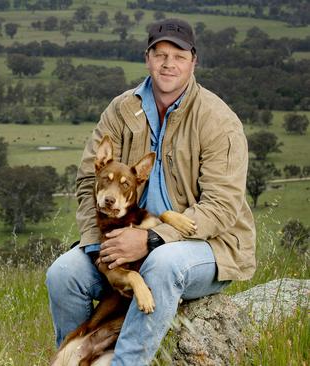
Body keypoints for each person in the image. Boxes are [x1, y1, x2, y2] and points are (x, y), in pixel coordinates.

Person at [45, 18, 256, 365]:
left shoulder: (218, 120)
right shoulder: (121, 109)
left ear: (193, 61)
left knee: (161, 263)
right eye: (160, 54)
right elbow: (88, 181)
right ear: (148, 58)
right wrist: (103, 247)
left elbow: (222, 206)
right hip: (124, 238)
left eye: (178, 55)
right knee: (63, 275)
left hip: (207, 246)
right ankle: (79, 358)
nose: (168, 63)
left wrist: (152, 239)